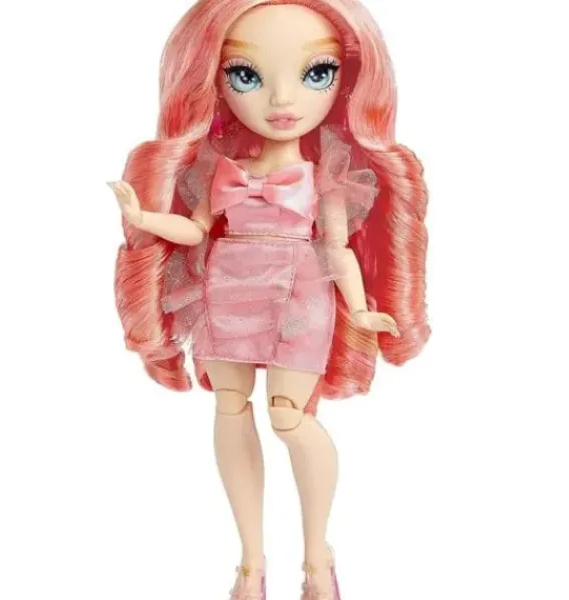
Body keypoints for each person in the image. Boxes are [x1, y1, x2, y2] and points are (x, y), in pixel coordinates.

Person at [108, 1, 430, 598]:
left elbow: (338, 248)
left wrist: (360, 308)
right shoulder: (219, 167)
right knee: (230, 406)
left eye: (316, 73)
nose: (283, 100)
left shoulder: (328, 171)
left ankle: (316, 554)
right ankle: (250, 562)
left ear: (348, 80)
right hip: (226, 288)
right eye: (246, 74)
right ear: (210, 80)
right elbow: (196, 230)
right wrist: (143, 217)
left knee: (289, 416)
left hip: (300, 292)